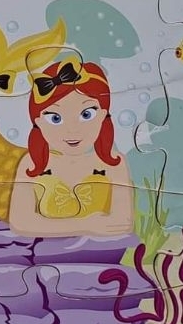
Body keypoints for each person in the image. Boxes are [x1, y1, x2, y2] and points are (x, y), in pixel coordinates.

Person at [9, 56, 134, 238]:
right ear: (38, 122)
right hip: (43, 251)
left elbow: (123, 222)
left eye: (86, 114)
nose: (72, 129)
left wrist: (51, 226)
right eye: (55, 118)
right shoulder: (31, 164)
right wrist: (86, 225)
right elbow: (20, 222)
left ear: (103, 115)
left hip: (103, 251)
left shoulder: (114, 163)